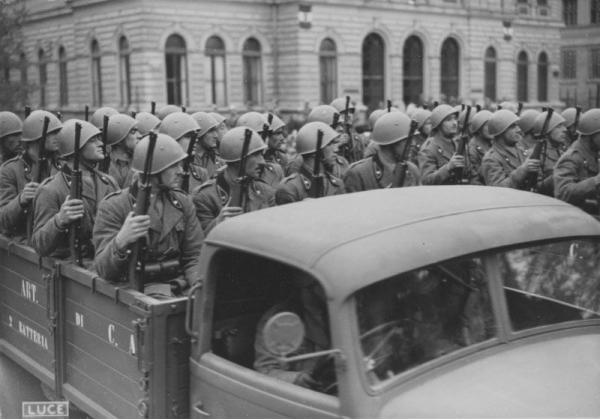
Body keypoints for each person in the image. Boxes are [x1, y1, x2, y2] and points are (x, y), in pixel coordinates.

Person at [93, 133, 204, 295]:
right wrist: (121, 241)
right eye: (173, 166)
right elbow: (104, 270)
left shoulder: (182, 202)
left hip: (179, 286)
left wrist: (199, 287)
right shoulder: (114, 206)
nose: (181, 171)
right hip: (136, 291)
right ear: (154, 171)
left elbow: (194, 255)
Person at [31, 119, 118, 258]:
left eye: (99, 139)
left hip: (105, 261)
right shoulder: (51, 190)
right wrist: (59, 220)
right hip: (72, 266)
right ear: (74, 147)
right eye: (92, 140)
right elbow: (39, 245)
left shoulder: (108, 182)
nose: (101, 143)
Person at [192, 127, 275, 234]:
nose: (262, 162)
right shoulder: (205, 198)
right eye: (255, 155)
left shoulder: (266, 192)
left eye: (261, 155)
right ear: (236, 160)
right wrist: (217, 224)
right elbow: (199, 244)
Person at [254, 276, 331, 391]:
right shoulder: (279, 321)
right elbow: (266, 370)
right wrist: (296, 379)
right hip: (300, 392)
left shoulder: (340, 311)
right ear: (308, 287)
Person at [0, 110, 62, 239]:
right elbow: (3, 220)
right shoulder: (10, 170)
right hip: (24, 242)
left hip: (56, 238)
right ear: (36, 137)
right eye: (53, 133)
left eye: (58, 132)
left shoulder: (62, 165)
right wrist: (21, 200)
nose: (58, 136)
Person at [344, 111, 420, 192]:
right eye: (407, 140)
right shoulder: (359, 174)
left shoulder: (412, 170)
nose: (413, 144)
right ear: (391, 142)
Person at [275, 121, 344, 204]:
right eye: (330, 144)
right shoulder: (290, 188)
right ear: (315, 151)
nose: (336, 149)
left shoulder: (337, 185)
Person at [554, 108, 600, 213]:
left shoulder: (594, 152)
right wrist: (596, 181)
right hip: (580, 217)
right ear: (590, 135)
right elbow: (562, 193)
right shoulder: (572, 157)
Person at [481, 110, 540, 189]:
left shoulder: (521, 151)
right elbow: (498, 189)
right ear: (500, 131)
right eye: (513, 127)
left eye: (517, 126)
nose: (518, 129)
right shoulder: (491, 159)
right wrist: (523, 170)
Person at [418, 104, 475, 185]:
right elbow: (427, 181)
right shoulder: (428, 149)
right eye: (449, 120)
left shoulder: (458, 145)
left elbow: (469, 173)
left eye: (455, 119)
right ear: (438, 124)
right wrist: (448, 168)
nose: (454, 123)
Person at [159, 111, 206, 192]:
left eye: (195, 136)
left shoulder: (200, 173)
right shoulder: (156, 174)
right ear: (172, 139)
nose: (195, 140)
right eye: (188, 136)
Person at [236, 112, 285, 188]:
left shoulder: (276, 171)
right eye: (259, 134)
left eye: (265, 135)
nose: (262, 140)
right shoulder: (232, 171)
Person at [529, 111, 567, 196]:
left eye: (563, 126)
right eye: (558, 126)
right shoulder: (536, 155)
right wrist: (558, 176)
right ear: (547, 132)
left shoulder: (562, 153)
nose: (565, 129)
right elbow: (534, 189)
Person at [330, 96, 368, 163]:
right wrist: (337, 145)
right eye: (344, 113)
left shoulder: (357, 139)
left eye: (351, 112)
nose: (349, 115)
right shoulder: (329, 138)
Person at [105, 113, 139, 188]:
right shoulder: (104, 164)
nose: (139, 136)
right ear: (119, 139)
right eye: (133, 132)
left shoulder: (140, 161)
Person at [467, 109, 493, 184]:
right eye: (487, 125)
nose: (491, 128)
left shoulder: (491, 143)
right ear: (479, 128)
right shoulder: (472, 148)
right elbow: (474, 177)